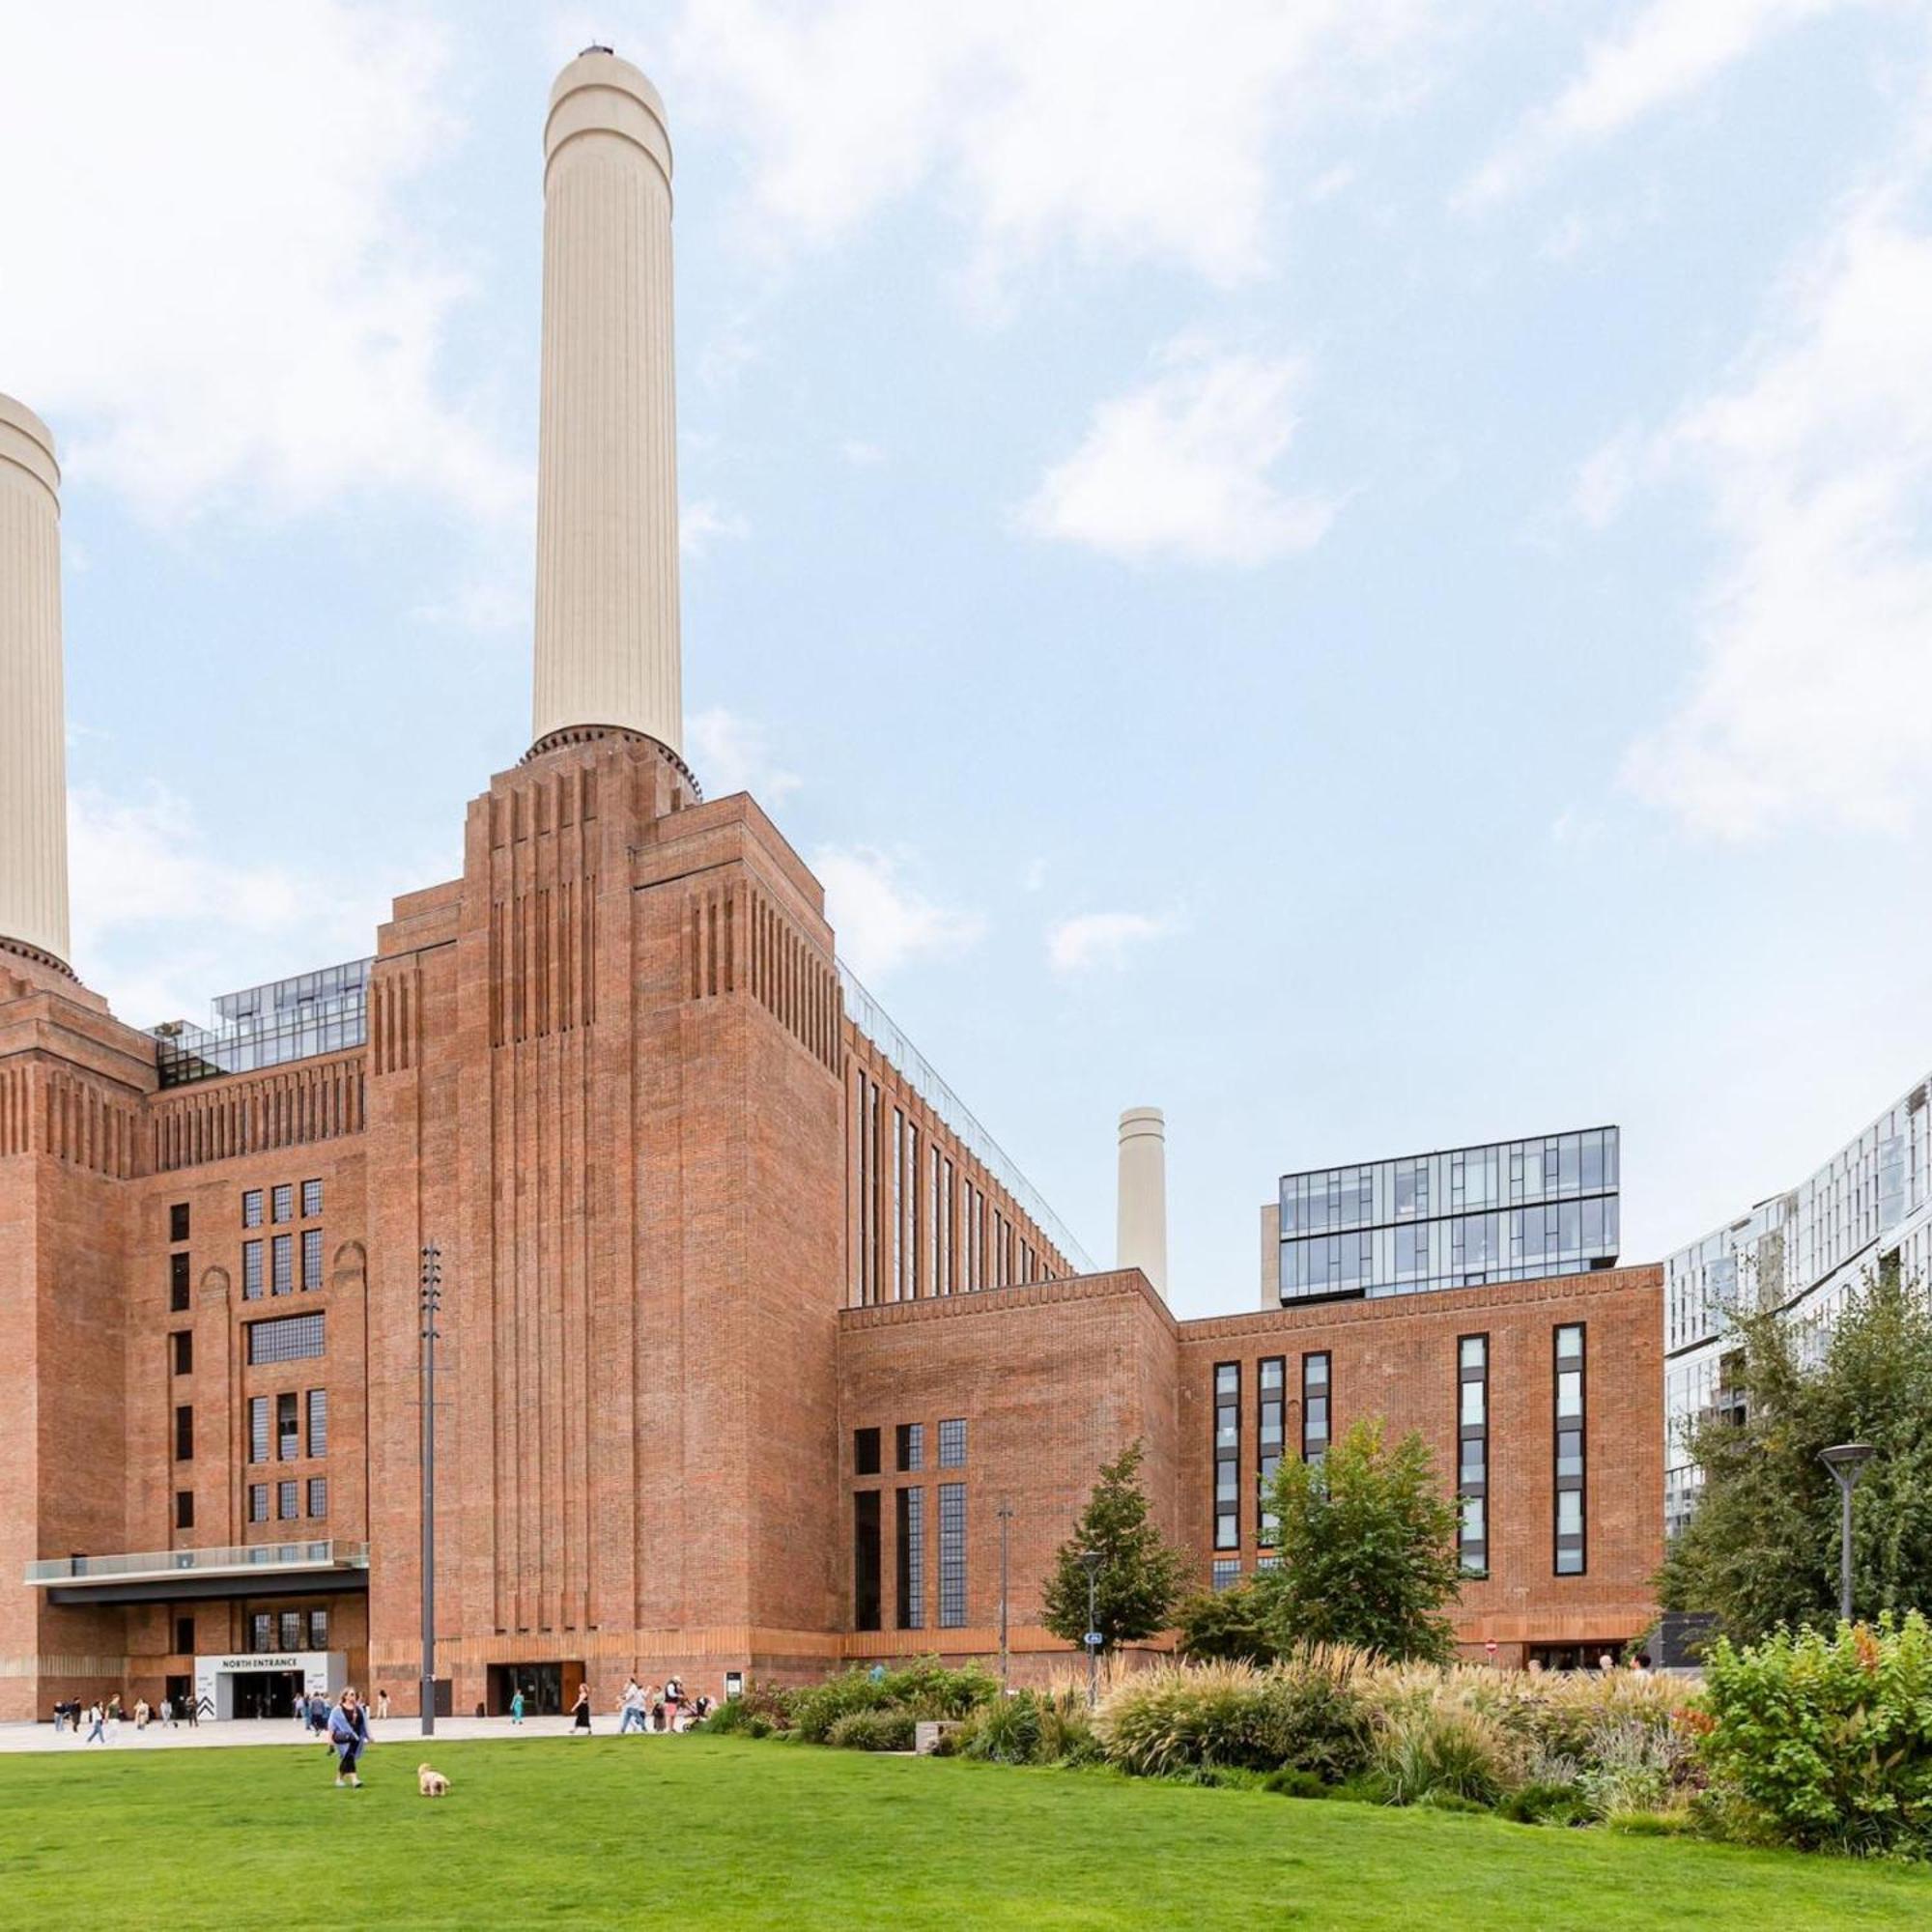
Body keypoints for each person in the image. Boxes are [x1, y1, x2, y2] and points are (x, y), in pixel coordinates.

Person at [327, 1687, 371, 1789]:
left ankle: (339, 1779)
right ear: (345, 1696)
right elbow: (331, 1725)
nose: (353, 1696)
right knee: (349, 1753)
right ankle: (354, 1779)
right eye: (351, 1694)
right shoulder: (337, 1710)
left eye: (354, 1694)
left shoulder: (359, 1709)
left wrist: (369, 1736)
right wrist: (330, 1740)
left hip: (356, 1738)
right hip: (341, 1736)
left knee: (348, 1755)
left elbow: (364, 1724)